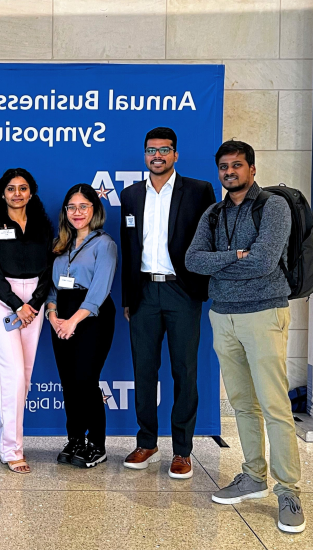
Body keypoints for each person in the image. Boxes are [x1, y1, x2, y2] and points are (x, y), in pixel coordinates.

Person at [186, 140, 306, 533]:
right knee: (242, 402)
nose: (229, 172)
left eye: (237, 165)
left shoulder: (273, 206)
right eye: (223, 166)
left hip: (263, 314)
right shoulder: (214, 211)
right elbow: (193, 260)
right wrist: (233, 257)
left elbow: (264, 260)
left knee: (275, 405)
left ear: (252, 169)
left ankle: (288, 490)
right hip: (223, 317)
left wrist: (227, 263)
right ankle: (253, 476)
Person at [120, 127, 216, 478]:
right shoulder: (130, 194)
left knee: (184, 372)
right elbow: (130, 248)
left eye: (164, 150)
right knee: (143, 371)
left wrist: (201, 288)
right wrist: (128, 297)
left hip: (182, 291)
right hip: (144, 293)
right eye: (150, 150)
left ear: (176, 154)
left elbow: (211, 240)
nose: (157, 155)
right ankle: (146, 442)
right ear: (144, 155)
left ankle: (183, 450)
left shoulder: (198, 191)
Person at [0, 168, 54, 474]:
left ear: (31, 192)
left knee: (23, 376)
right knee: (12, 374)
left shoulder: (42, 224)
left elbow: (50, 267)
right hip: (2, 301)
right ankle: (12, 449)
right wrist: (17, 305)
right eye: (11, 188)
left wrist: (33, 304)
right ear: (2, 193)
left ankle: (4, 437)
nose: (17, 193)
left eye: (23, 188)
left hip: (33, 304)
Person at [46, 184, 117, 468]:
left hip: (91, 318)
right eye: (72, 207)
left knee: (86, 381)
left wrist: (73, 321)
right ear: (65, 212)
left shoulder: (105, 244)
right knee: (69, 382)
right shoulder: (59, 244)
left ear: (94, 210)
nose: (77, 213)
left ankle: (97, 445)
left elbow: (99, 290)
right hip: (60, 316)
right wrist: (53, 317)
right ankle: (75, 438)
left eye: (83, 207)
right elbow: (51, 288)